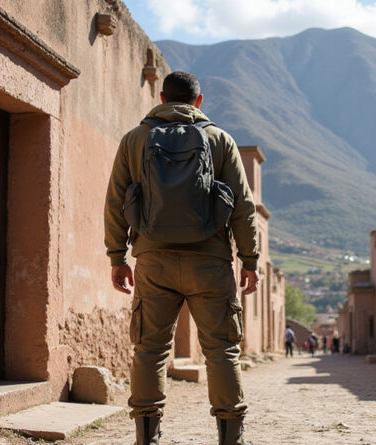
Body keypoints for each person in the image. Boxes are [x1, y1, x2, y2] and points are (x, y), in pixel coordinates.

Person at [104, 71, 260, 445]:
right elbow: (243, 206)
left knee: (150, 350)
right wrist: (250, 261)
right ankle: (230, 436)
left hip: (153, 261)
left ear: (160, 97)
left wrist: (117, 256)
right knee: (222, 351)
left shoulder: (134, 140)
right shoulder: (220, 139)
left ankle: (146, 435)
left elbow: (115, 201)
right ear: (199, 101)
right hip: (210, 261)